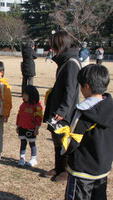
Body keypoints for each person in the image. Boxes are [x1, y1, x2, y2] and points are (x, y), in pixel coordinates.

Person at [54, 64, 113, 200]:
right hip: (102, 169)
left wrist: (64, 151)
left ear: (86, 86)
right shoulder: (110, 107)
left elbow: (73, 140)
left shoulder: (84, 112)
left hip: (81, 171)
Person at [43, 31, 81, 182]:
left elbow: (70, 90)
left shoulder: (71, 63)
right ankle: (58, 167)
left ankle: (66, 170)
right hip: (57, 107)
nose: (51, 48)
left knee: (64, 138)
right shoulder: (64, 61)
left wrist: (62, 110)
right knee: (56, 137)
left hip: (65, 110)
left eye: (53, 45)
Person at [16, 85, 43, 167]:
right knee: (23, 143)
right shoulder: (23, 105)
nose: (23, 96)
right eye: (23, 94)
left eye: (25, 95)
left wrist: (37, 128)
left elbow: (39, 118)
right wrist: (18, 125)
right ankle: (22, 158)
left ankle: (33, 158)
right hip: (22, 127)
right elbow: (19, 115)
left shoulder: (37, 106)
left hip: (31, 128)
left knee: (32, 143)